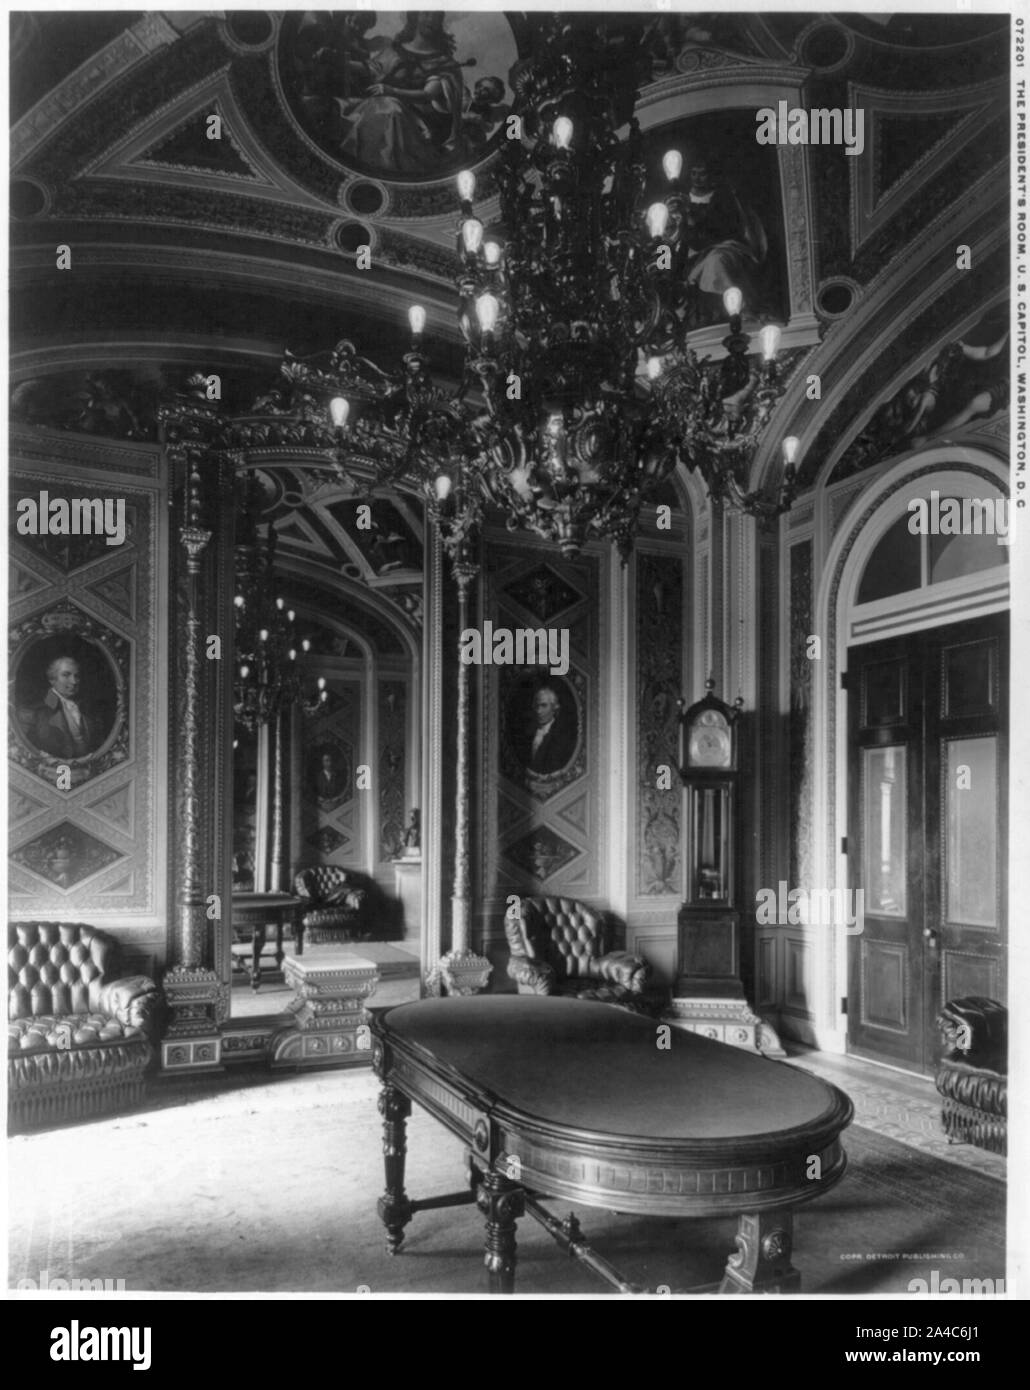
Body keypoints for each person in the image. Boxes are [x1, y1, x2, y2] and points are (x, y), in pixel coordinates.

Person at [338, 12, 472, 174]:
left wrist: (392, 91)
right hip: (377, 106)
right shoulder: (395, 49)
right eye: (427, 15)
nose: (431, 19)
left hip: (420, 127)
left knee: (389, 108)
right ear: (415, 17)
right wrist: (337, 60)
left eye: (437, 17)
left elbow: (427, 94)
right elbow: (371, 69)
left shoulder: (444, 63)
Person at [678, 157, 768, 326]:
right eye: (693, 173)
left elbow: (728, 229)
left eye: (702, 174)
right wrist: (663, 265)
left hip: (726, 247)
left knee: (717, 261)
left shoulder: (724, 198)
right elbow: (668, 242)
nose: (697, 178)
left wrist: (694, 222)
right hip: (690, 256)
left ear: (711, 175)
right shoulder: (679, 201)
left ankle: (739, 310)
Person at [27, 655, 102, 759]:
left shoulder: (85, 707)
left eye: (77, 676)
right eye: (66, 675)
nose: (74, 681)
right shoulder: (39, 711)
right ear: (52, 679)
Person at [515, 685, 578, 775]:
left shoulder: (562, 736)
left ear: (554, 708)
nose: (539, 711)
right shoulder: (527, 734)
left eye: (544, 706)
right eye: (536, 706)